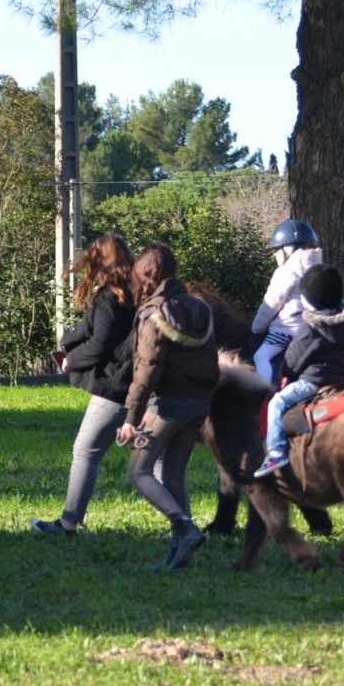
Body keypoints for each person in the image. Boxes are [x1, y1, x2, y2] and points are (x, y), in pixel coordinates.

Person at [115, 243, 219, 571]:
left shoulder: (154, 313)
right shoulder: (200, 308)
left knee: (139, 471)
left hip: (168, 404)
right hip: (199, 402)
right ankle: (181, 553)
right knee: (173, 474)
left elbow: (146, 370)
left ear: (149, 275)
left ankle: (185, 528)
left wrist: (131, 419)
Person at [30, 233, 137, 537]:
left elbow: (100, 345)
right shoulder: (135, 293)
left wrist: (70, 361)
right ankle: (182, 524)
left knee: (85, 450)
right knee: (154, 460)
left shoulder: (109, 297)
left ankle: (68, 523)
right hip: (139, 383)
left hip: (114, 386)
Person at [254, 264, 344, 477]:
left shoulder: (311, 328)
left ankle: (275, 451)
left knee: (276, 403)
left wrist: (286, 374)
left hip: (312, 381)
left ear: (311, 300)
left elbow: (294, 359)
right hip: (341, 378)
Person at [248, 219, 323, 386]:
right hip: (314, 328)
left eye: (278, 249)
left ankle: (264, 393)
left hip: (288, 329)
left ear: (288, 248)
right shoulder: (318, 268)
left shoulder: (287, 270)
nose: (276, 253)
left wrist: (257, 328)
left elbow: (272, 303)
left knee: (260, 357)